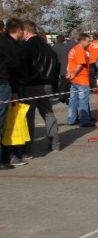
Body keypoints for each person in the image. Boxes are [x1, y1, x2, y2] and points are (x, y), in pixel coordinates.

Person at [17, 21, 60, 158]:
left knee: (29, 118)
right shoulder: (47, 46)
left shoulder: (26, 46)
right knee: (48, 113)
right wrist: (53, 84)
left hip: (31, 85)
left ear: (26, 31)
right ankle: (55, 143)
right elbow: (56, 65)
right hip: (46, 84)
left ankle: (27, 149)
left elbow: (23, 66)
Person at [0, 18, 26, 168]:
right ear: (19, 29)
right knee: (2, 121)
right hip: (4, 83)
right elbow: (15, 67)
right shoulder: (8, 44)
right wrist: (15, 90)